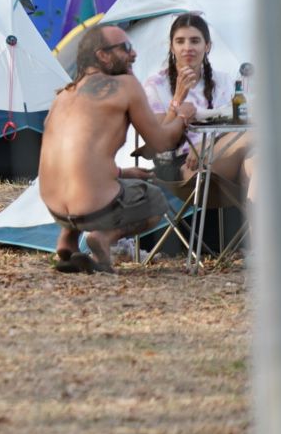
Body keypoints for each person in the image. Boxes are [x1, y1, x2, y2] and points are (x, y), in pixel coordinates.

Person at [38, 24, 195, 273]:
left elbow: (78, 157)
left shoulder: (64, 95)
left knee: (92, 183)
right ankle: (103, 237)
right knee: (154, 198)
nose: (134, 54)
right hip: (92, 207)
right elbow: (161, 143)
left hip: (54, 207)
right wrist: (183, 115)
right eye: (126, 48)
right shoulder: (125, 85)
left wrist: (121, 173)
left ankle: (66, 239)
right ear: (103, 55)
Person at [140, 12, 256, 203]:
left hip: (224, 156)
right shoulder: (155, 85)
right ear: (171, 46)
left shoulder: (224, 81)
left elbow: (241, 121)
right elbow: (159, 144)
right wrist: (177, 98)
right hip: (185, 166)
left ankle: (260, 232)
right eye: (180, 41)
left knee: (260, 165)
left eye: (195, 41)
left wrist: (205, 145)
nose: (188, 48)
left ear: (207, 46)